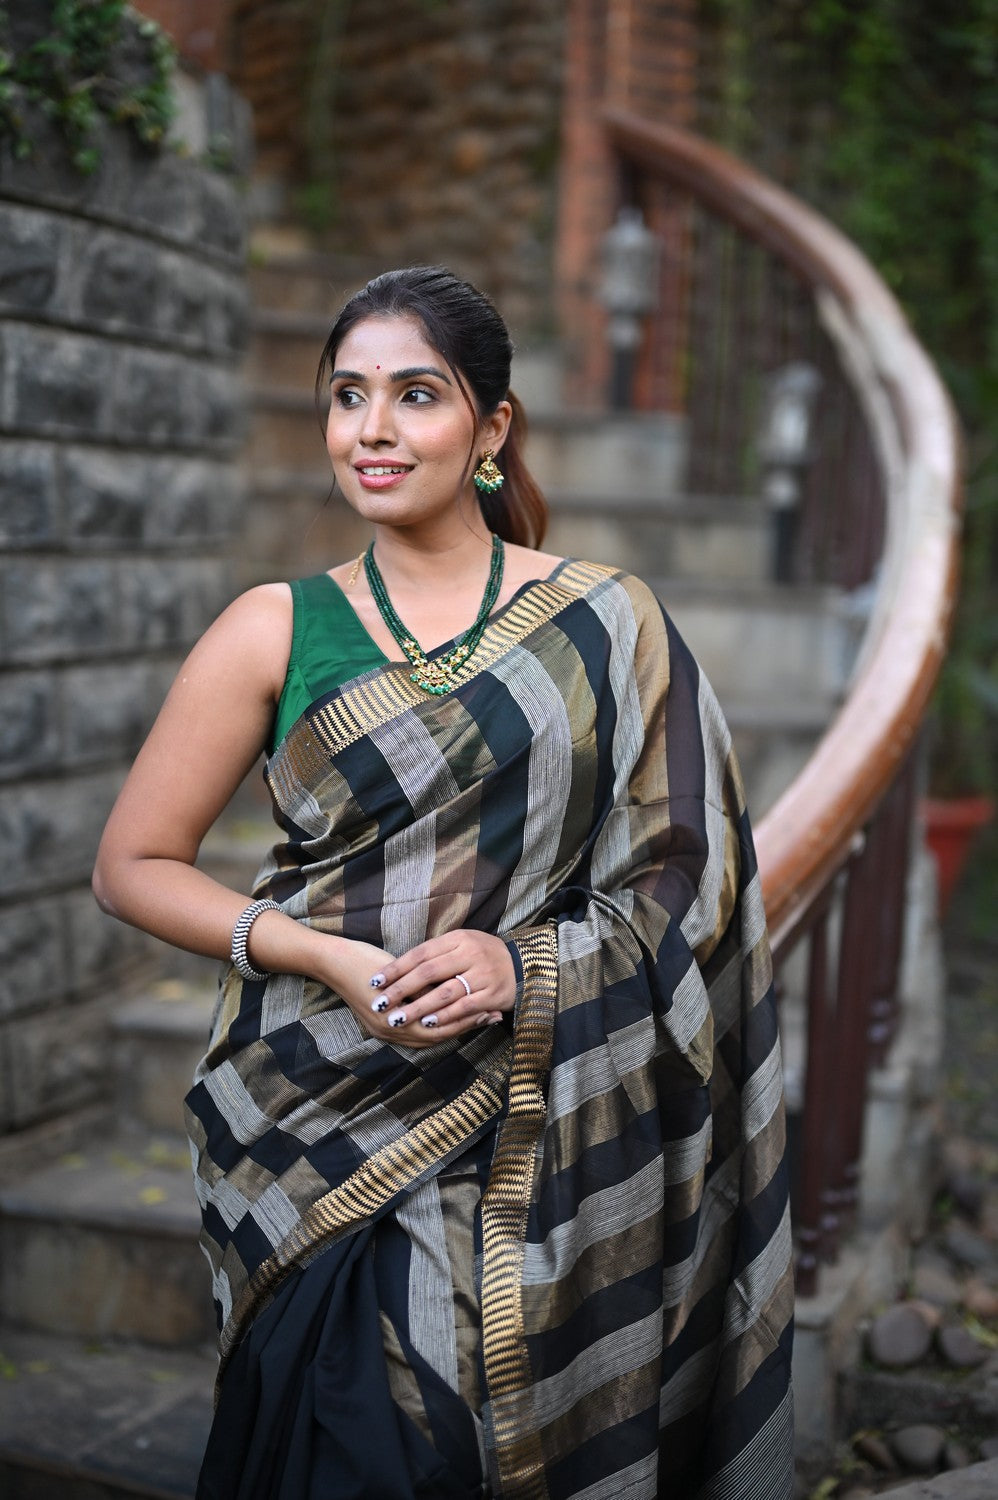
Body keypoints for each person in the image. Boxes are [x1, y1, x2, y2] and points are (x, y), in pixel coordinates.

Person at [93, 265, 794, 1499]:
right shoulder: (274, 627)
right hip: (306, 1114)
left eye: (415, 395)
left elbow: (689, 872)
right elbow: (130, 866)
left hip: (540, 1097)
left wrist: (519, 965)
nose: (370, 429)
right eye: (346, 395)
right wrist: (318, 953)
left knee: (453, 1440)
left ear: (490, 428)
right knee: (342, 1441)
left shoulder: (606, 623)